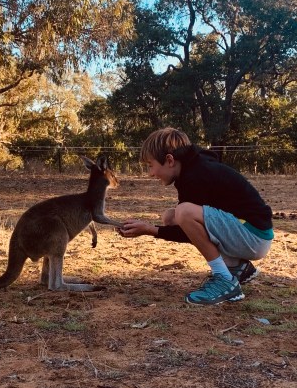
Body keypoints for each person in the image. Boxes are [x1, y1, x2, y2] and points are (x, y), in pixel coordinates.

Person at [116, 127, 273, 306]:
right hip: (249, 232)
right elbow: (192, 230)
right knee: (171, 217)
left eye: (150, 165)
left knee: (184, 212)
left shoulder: (196, 175)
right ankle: (236, 267)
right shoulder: (194, 168)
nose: (150, 173)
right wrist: (152, 229)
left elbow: (187, 231)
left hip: (253, 237)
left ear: (169, 160)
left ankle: (224, 279)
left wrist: (150, 230)